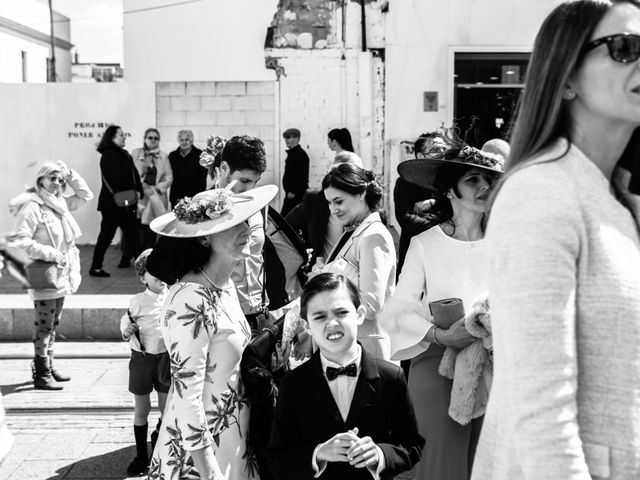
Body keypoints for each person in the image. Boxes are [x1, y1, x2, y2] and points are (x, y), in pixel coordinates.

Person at [471, 1, 640, 479]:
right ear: (564, 79)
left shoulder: (615, 195)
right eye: (626, 47)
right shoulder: (540, 194)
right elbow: (542, 409)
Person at [380, 134, 504, 480]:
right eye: (473, 179)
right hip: (436, 364)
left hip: (498, 366)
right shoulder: (424, 243)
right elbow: (397, 311)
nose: (484, 186)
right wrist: (440, 335)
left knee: (488, 467)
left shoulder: (506, 242)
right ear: (450, 190)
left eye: (488, 180)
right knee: (439, 468)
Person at [145, 184, 278, 480]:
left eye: (246, 221)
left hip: (234, 436)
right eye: (233, 224)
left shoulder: (224, 285)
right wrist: (208, 470)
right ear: (204, 237)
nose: (246, 229)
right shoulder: (189, 300)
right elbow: (185, 393)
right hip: (201, 455)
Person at [267, 272, 424, 480]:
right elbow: (277, 458)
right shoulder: (293, 385)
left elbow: (411, 445)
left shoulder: (391, 377)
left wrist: (379, 454)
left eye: (341, 313)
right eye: (320, 316)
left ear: (359, 314)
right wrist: (318, 453)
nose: (332, 324)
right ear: (307, 325)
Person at [9, 161, 93, 390]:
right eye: (52, 178)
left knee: (54, 322)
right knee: (44, 324)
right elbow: (21, 239)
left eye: (60, 180)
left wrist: (69, 173)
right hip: (45, 272)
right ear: (41, 180)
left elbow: (86, 195)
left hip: (62, 273)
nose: (57, 183)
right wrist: (50, 253)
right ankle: (41, 371)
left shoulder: (60, 203)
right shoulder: (34, 206)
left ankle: (49, 364)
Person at [308, 163, 396, 361]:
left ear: (361, 194)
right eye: (329, 203)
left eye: (338, 201)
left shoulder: (373, 235)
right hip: (346, 348)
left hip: (365, 349)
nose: (333, 210)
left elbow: (371, 304)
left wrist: (325, 286)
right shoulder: (354, 231)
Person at [119, 249, 169, 475]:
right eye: (153, 272)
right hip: (141, 360)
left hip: (165, 360)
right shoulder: (137, 301)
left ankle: (160, 438)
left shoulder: (173, 296)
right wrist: (126, 330)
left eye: (163, 270)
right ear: (142, 277)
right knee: (142, 408)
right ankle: (141, 455)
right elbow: (125, 320)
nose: (160, 276)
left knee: (167, 407)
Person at [214, 135, 270, 334]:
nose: (250, 189)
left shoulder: (259, 206)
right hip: (222, 318)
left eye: (255, 182)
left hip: (259, 315)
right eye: (244, 180)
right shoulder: (202, 212)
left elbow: (260, 258)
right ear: (224, 169)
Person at [285, 151, 365, 269]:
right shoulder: (316, 199)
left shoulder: (366, 205)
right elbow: (287, 226)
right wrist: (302, 253)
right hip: (322, 274)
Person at [90, 125, 143, 277]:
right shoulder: (108, 155)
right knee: (106, 237)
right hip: (112, 206)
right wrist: (134, 190)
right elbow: (117, 179)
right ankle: (95, 267)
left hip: (126, 204)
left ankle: (145, 268)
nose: (124, 137)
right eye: (120, 135)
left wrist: (138, 190)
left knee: (133, 236)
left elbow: (133, 175)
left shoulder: (124, 154)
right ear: (112, 138)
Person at [393, 132, 444, 276]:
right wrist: (440, 227)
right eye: (437, 150)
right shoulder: (405, 182)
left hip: (442, 252)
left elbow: (454, 211)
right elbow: (405, 218)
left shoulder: (448, 181)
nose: (443, 154)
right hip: (413, 249)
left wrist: (434, 203)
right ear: (421, 156)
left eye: (444, 150)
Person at [130, 127, 173, 251]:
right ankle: (130, 255)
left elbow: (169, 177)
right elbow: (131, 174)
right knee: (136, 227)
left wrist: (157, 189)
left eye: (156, 138)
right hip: (140, 196)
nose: (153, 140)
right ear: (144, 139)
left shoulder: (164, 156)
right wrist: (141, 185)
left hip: (156, 196)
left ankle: (151, 254)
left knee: (152, 227)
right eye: (150, 137)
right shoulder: (135, 154)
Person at [168, 129, 206, 208]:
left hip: (194, 198)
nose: (184, 142)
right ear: (178, 141)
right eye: (181, 140)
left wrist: (198, 197)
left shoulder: (200, 155)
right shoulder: (172, 156)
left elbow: (202, 179)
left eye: (187, 140)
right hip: (176, 198)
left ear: (191, 140)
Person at [280, 128, 310, 217]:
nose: (286, 140)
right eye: (285, 138)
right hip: (291, 196)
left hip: (296, 197)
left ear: (297, 138)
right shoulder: (293, 154)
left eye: (288, 137)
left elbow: (303, 177)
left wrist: (293, 191)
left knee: (286, 221)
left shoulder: (301, 155)